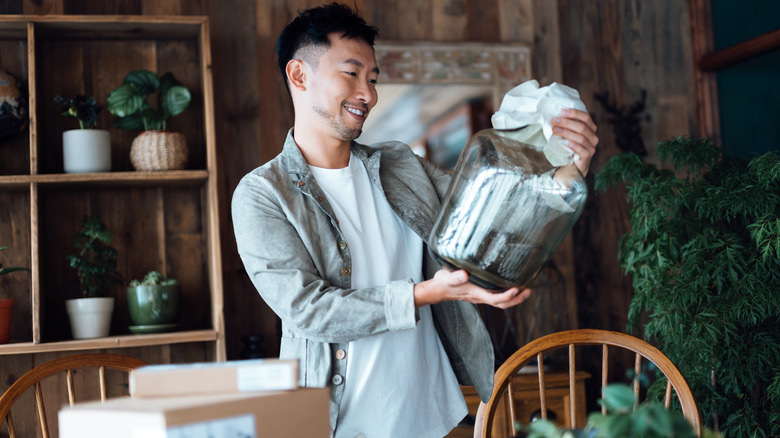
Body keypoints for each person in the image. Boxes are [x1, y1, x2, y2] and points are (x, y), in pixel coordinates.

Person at [232, 3, 599, 437]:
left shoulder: (401, 164)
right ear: (299, 75)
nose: (367, 93)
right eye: (351, 74)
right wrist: (428, 293)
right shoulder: (262, 194)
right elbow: (309, 310)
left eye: (372, 78)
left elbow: (499, 211)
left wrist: (573, 166)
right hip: (337, 423)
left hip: (429, 413)